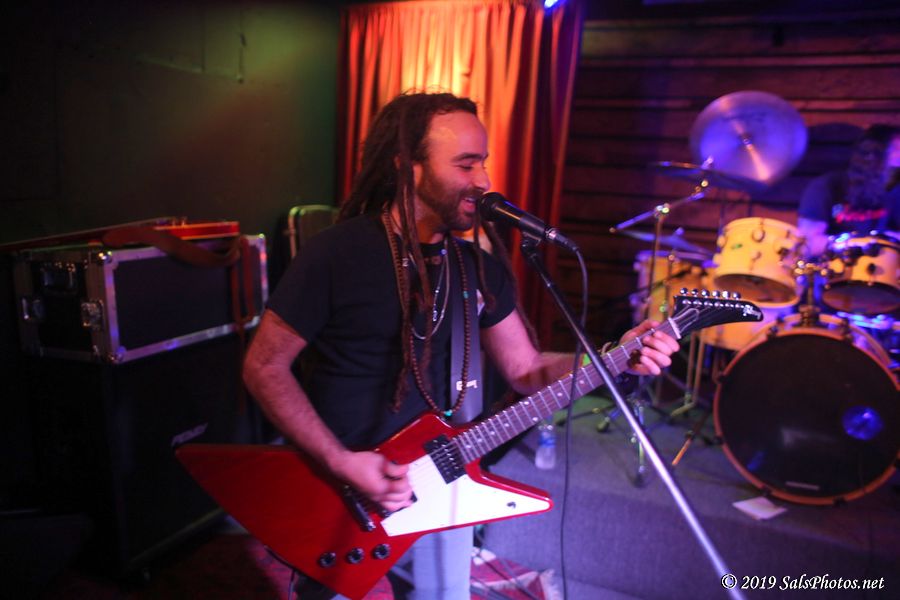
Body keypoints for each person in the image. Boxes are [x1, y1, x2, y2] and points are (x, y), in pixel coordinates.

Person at [242, 92, 679, 599]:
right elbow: (264, 367)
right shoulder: (337, 255)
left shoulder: (477, 268)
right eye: (466, 164)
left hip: (443, 474)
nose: (484, 180)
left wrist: (615, 358)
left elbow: (528, 369)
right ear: (408, 167)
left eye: (483, 163)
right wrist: (340, 461)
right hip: (341, 486)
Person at [797, 124, 900, 258]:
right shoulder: (827, 186)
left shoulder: (895, 189)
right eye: (897, 149)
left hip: (884, 267)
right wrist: (862, 243)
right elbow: (807, 244)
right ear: (874, 154)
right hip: (833, 266)